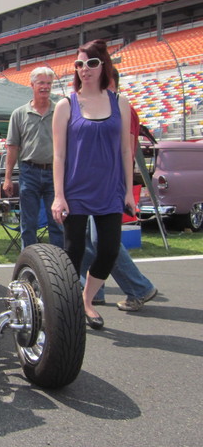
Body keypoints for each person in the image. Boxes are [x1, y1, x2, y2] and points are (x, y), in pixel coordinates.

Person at [51, 39, 135, 330]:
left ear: (103, 65)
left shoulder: (119, 102)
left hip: (110, 189)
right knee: (72, 254)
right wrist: (59, 196)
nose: (84, 69)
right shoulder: (65, 105)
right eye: (79, 64)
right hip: (75, 190)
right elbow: (59, 155)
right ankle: (70, 306)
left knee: (110, 250)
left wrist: (128, 190)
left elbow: (126, 150)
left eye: (91, 63)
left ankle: (87, 299)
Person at [83, 67, 158, 311]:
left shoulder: (119, 109)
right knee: (92, 238)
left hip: (109, 180)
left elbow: (122, 148)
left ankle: (138, 287)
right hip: (98, 180)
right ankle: (96, 291)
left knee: (103, 240)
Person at [3, 66, 64, 249]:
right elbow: (12, 148)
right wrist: (7, 178)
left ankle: (60, 265)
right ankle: (28, 265)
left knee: (57, 221)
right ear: (32, 85)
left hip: (55, 172)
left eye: (48, 83)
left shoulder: (60, 110)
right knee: (28, 224)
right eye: (41, 83)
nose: (45, 87)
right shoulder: (19, 114)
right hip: (29, 172)